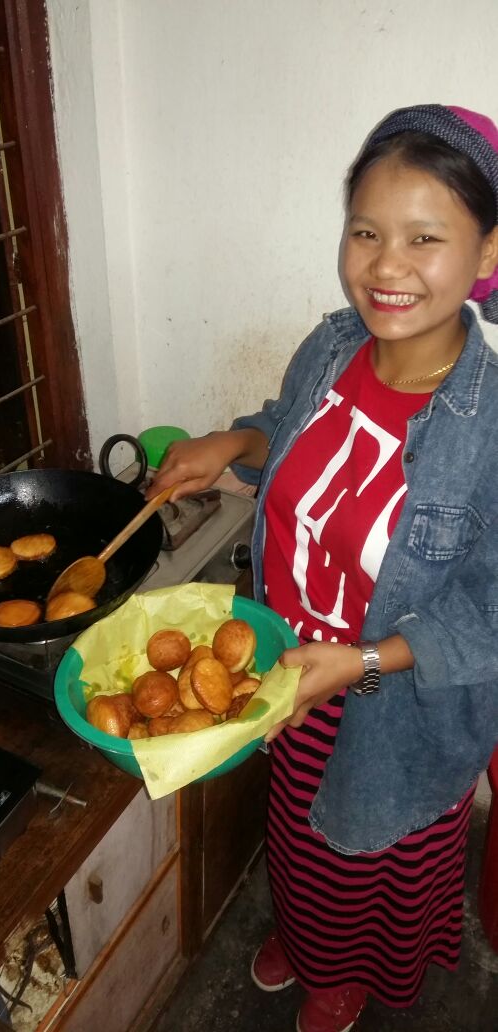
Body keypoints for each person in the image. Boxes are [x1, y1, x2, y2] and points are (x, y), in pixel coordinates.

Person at [147, 104, 498, 1032]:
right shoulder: (331, 345)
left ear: (486, 253)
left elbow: (491, 608)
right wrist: (234, 442)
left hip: (393, 693)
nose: (386, 265)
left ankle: (349, 973)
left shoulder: (491, 427)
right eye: (366, 231)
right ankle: (310, 941)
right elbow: (293, 433)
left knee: (372, 851)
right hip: (289, 661)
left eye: (424, 238)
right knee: (301, 836)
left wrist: (366, 660)